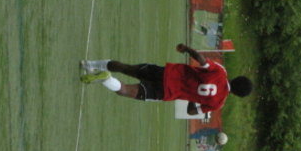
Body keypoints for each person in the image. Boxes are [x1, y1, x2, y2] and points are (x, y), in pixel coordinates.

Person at [80, 44, 252, 115]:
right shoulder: (217, 103)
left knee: (127, 68)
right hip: (166, 91)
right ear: (237, 94)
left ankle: (89, 64)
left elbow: (201, 59)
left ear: (236, 78)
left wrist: (186, 49)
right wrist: (193, 97)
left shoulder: (221, 72)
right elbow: (191, 112)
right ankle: (106, 79)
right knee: (125, 90)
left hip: (167, 73)